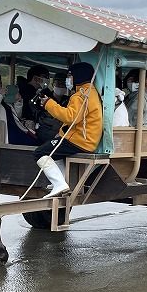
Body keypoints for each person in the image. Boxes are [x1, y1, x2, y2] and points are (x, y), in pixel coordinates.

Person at [34, 62, 102, 198]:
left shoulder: (80, 96)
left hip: (79, 141)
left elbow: (70, 116)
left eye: (70, 76)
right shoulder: (91, 92)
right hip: (87, 140)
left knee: (39, 153)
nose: (68, 80)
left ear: (78, 76)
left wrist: (49, 104)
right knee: (54, 150)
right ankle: (61, 182)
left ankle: (59, 184)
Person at [0, 74, 37, 145]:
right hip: (5, 131)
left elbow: (17, 115)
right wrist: (0, 95)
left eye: (0, 83)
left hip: (16, 128)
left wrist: (18, 102)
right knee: (32, 142)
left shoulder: (4, 100)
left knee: (36, 140)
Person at [35, 71, 70, 144]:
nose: (61, 86)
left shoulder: (69, 100)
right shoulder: (44, 98)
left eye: (64, 84)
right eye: (59, 83)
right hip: (46, 129)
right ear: (53, 84)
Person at [18, 65, 51, 132]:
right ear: (36, 78)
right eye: (45, 77)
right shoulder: (25, 92)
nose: (47, 79)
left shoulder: (42, 91)